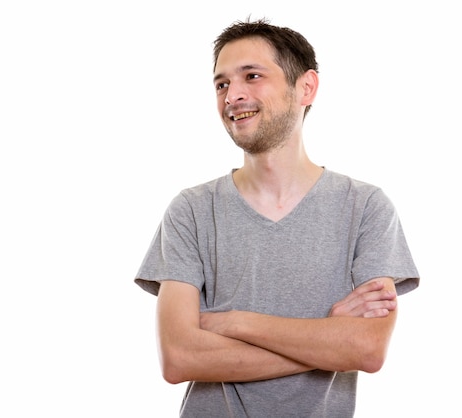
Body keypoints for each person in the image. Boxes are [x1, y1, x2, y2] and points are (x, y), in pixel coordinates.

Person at [133, 17, 420, 418]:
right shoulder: (192, 210)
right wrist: (329, 338)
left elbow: (367, 350)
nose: (232, 95)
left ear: (306, 87)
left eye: (252, 76)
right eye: (221, 84)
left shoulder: (366, 207)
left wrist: (232, 321)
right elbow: (179, 358)